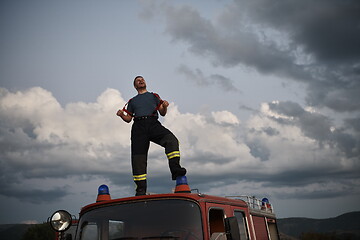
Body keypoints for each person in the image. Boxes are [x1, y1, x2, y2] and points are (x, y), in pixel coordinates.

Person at [117, 76, 187, 196]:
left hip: (153, 123)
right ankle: (140, 190)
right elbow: (129, 119)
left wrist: (164, 106)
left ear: (145, 82)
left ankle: (176, 170)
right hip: (138, 127)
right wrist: (121, 115)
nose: (141, 81)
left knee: (171, 140)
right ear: (135, 86)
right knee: (138, 159)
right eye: (138, 80)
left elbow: (162, 113)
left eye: (142, 79)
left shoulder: (154, 96)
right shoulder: (132, 101)